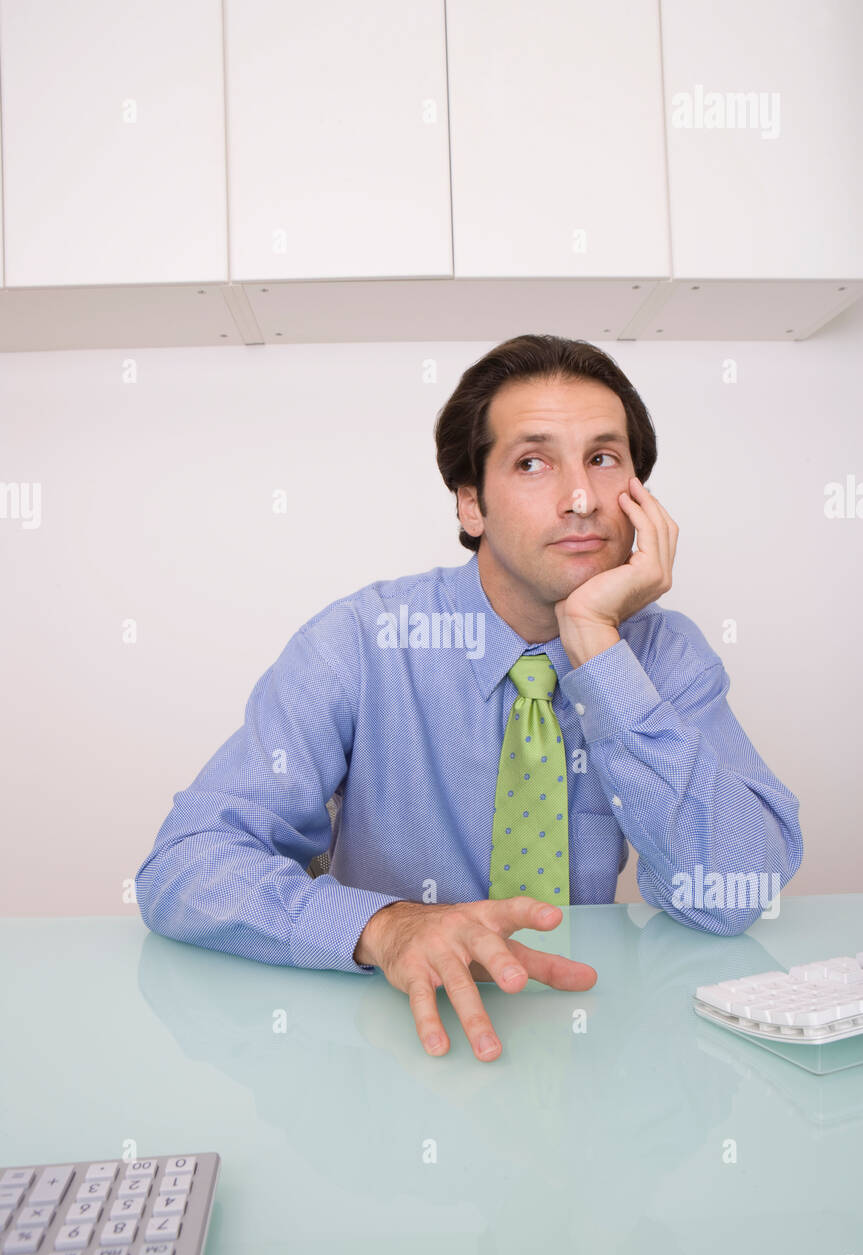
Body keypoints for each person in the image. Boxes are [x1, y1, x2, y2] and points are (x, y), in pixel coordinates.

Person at [135, 335, 803, 1063]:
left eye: (602, 459)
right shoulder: (359, 641)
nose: (580, 498)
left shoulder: (662, 655)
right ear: (471, 503)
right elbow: (184, 866)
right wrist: (385, 927)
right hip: (381, 1038)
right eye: (532, 462)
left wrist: (594, 646)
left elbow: (733, 891)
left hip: (584, 1031)